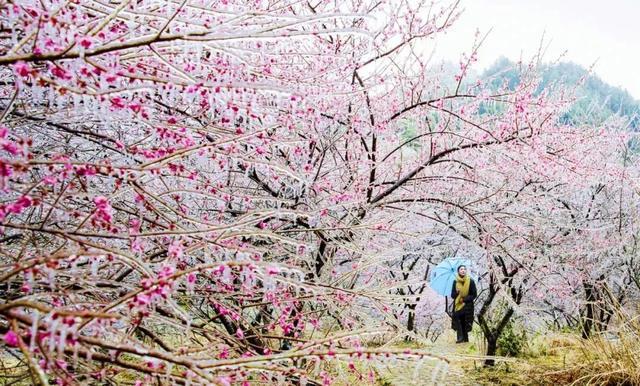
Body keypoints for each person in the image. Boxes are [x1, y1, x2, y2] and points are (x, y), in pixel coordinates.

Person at [450, 265, 477, 343]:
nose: (463, 270)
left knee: (465, 322)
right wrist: (457, 292)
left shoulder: (470, 281)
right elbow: (452, 295)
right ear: (458, 271)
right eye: (461, 269)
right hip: (458, 305)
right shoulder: (455, 282)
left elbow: (474, 294)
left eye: (464, 269)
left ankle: (465, 339)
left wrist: (464, 300)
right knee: (458, 321)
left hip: (467, 305)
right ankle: (460, 338)